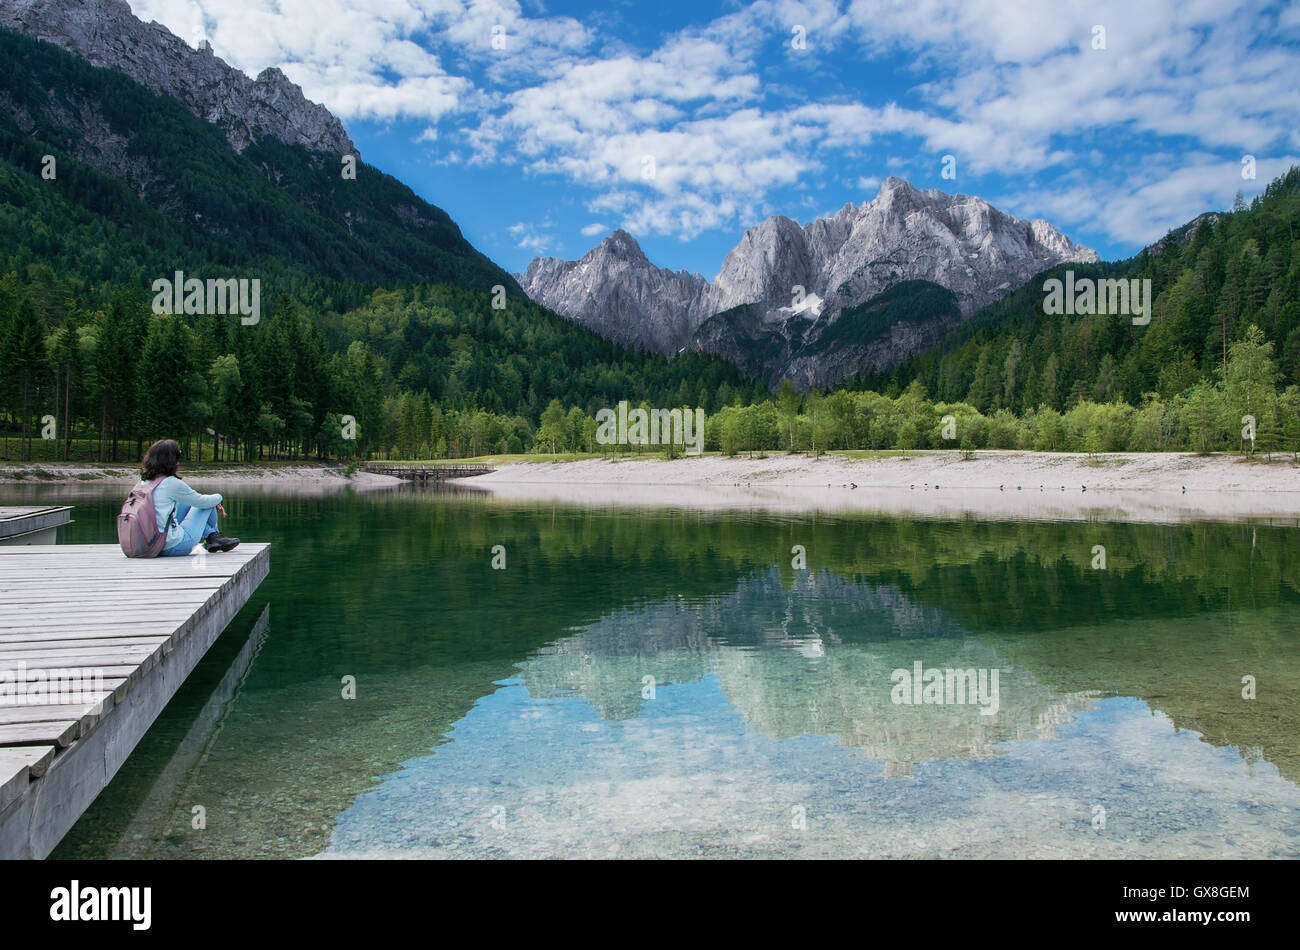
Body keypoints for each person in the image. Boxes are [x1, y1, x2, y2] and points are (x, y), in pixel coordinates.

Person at [138, 439, 239, 555]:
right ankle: (213, 536)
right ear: (172, 460)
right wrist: (218, 497)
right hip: (172, 547)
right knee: (207, 503)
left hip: (149, 545)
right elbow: (203, 502)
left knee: (184, 503)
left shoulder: (143, 482)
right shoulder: (171, 483)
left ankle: (212, 536)